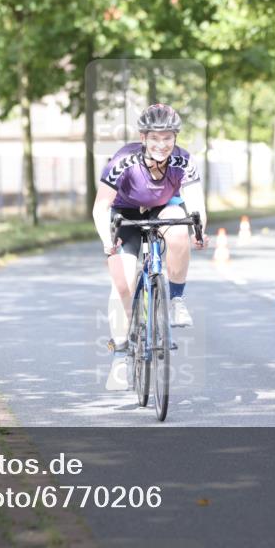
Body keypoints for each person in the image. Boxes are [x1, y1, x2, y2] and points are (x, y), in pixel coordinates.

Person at [93, 103, 208, 391]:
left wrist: (199, 230)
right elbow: (100, 206)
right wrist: (108, 241)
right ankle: (120, 354)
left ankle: (176, 300)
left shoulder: (183, 161)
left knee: (180, 231)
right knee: (125, 280)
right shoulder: (123, 160)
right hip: (125, 212)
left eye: (167, 138)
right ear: (143, 138)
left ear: (175, 138)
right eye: (155, 138)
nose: (161, 144)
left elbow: (195, 203)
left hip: (164, 207)